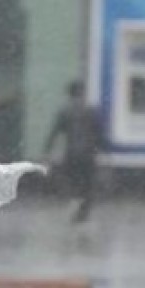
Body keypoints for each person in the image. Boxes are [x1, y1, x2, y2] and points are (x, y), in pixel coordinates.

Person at [43, 80, 104, 224]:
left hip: (72, 154)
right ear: (82, 93)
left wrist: (47, 151)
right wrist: (101, 150)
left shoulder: (65, 112)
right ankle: (83, 209)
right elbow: (99, 133)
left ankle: (75, 201)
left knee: (72, 181)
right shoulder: (91, 111)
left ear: (69, 95)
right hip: (88, 154)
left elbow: (55, 133)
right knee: (88, 184)